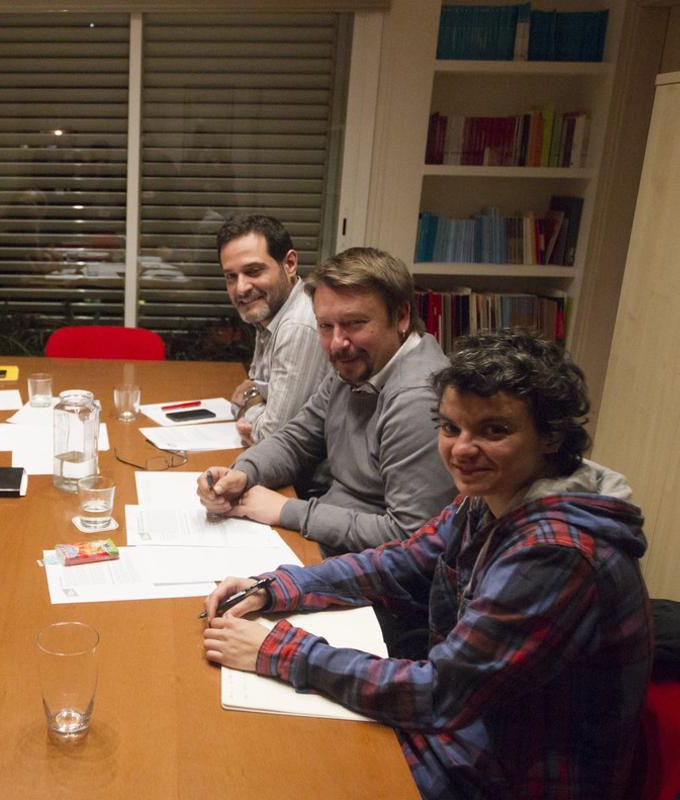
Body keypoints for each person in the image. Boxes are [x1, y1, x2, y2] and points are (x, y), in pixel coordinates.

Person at [201, 330, 652, 800]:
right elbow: (401, 561)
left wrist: (280, 649)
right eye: (451, 427)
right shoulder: (496, 496)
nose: (461, 449)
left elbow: (438, 693)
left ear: (550, 436)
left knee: (273, 771)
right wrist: (276, 586)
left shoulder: (557, 554)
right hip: (472, 736)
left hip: (503, 774)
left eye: (493, 430)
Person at [198, 247, 456, 556]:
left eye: (355, 323)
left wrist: (287, 511)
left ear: (401, 316)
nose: (337, 344)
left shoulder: (418, 399)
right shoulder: (360, 364)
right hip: (331, 541)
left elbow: (411, 538)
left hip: (375, 577)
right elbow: (298, 439)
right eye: (325, 326)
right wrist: (243, 472)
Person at [218, 215, 328, 445]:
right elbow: (254, 390)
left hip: (307, 478)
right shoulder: (270, 313)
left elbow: (272, 439)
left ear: (289, 264)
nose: (241, 288)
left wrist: (249, 400)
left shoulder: (298, 325)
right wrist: (255, 400)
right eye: (231, 276)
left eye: (254, 271)